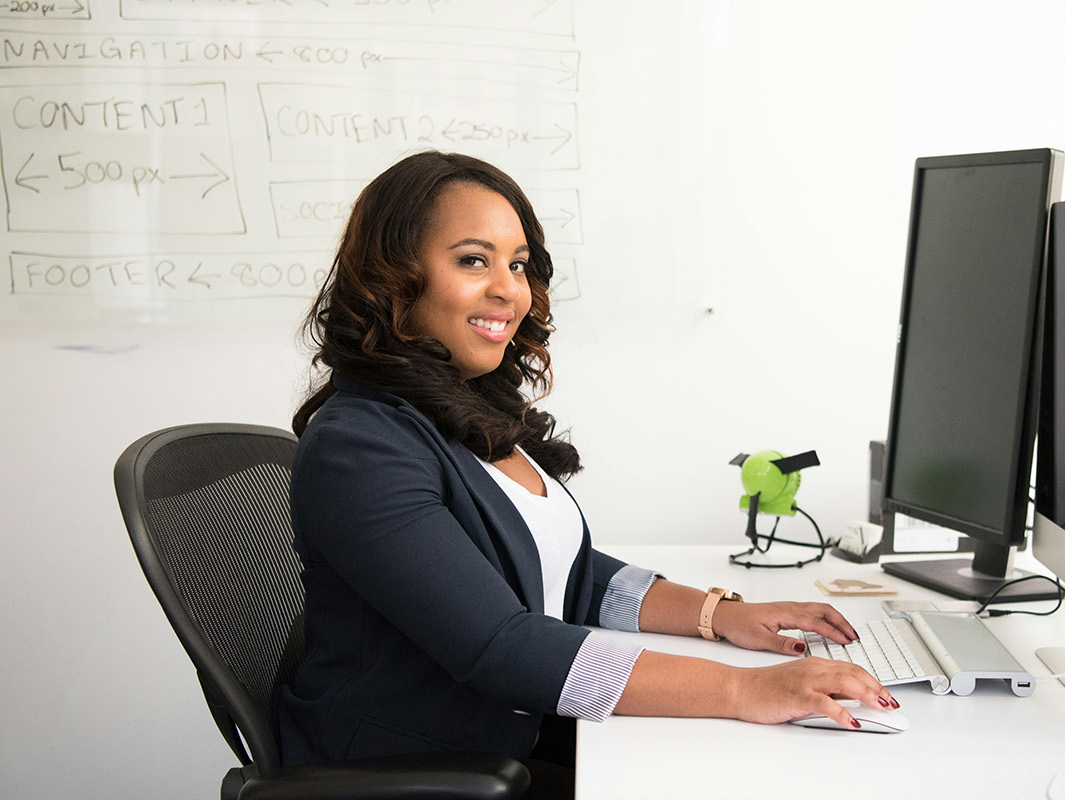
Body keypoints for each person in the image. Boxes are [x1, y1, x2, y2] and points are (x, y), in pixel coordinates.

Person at [278, 150, 895, 795]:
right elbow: (503, 647)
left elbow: (574, 574)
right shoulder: (360, 447)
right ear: (393, 279)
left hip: (499, 743)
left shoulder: (465, 410)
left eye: (517, 264)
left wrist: (720, 615)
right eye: (472, 260)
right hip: (411, 772)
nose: (508, 289)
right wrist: (743, 687)